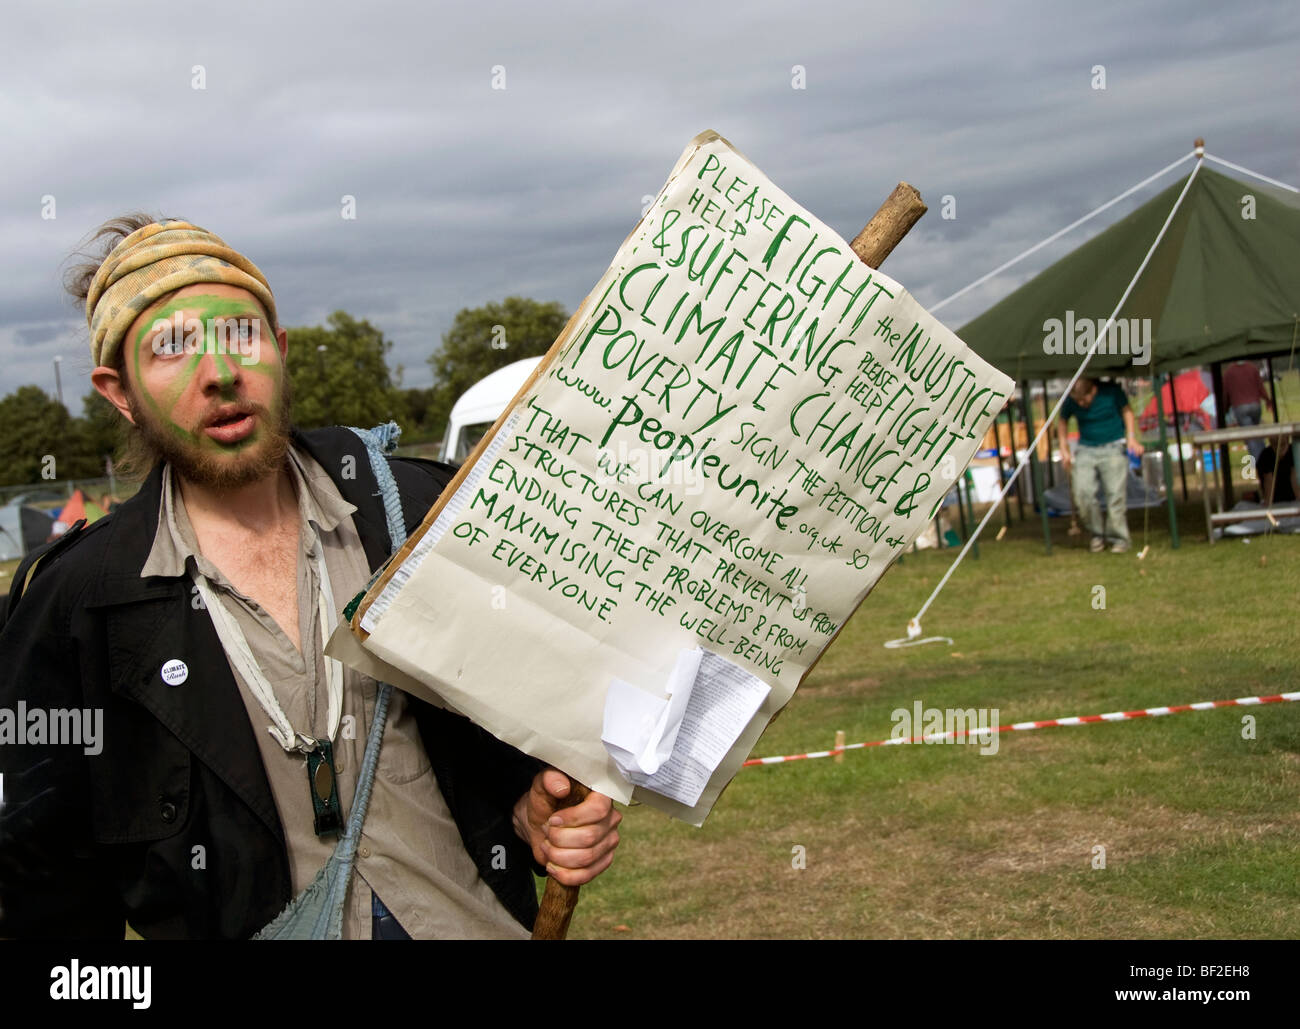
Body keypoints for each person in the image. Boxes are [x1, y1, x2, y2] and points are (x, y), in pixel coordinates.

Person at [0, 216, 620, 939]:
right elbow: (47, 899)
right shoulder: (74, 610)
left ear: (280, 349)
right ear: (120, 391)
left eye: (242, 334)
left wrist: (530, 808)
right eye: (170, 348)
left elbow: (511, 726)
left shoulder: (418, 512)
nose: (220, 371)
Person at [1054, 377, 1144, 553]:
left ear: (1093, 390)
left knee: (1115, 494)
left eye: (1084, 400)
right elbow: (1063, 420)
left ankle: (1119, 538)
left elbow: (1127, 411)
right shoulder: (1072, 400)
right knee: (1082, 493)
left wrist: (1131, 437)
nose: (1080, 404)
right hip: (1086, 449)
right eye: (1077, 401)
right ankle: (1096, 534)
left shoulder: (1111, 392)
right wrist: (1063, 448)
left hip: (1113, 446)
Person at [1222, 359, 1275, 463]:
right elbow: (1261, 386)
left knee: (1250, 438)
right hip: (1256, 405)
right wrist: (1268, 400)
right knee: (1258, 434)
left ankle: (1260, 463)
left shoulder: (1228, 372)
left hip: (1240, 407)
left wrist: (1225, 408)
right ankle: (1266, 459)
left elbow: (1225, 393)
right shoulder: (1252, 368)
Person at [1257, 432, 1298, 505]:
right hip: (1275, 501)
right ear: (1270, 442)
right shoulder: (1265, 455)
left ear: (1288, 440)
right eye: (1275, 444)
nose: (1279, 448)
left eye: (1282, 444)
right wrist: (1268, 504)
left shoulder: (1294, 452)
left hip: (1293, 499)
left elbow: (1294, 480)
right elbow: (1268, 482)